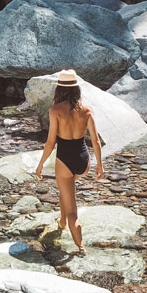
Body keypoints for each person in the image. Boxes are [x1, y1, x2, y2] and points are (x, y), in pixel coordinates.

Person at [35, 69, 104, 254]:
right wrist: (100, 165)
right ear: (76, 89)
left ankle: (80, 246)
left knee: (73, 208)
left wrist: (41, 164)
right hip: (83, 160)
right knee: (66, 189)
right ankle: (62, 221)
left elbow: (51, 142)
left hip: (64, 160)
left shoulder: (56, 110)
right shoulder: (87, 110)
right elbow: (96, 141)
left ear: (60, 89)